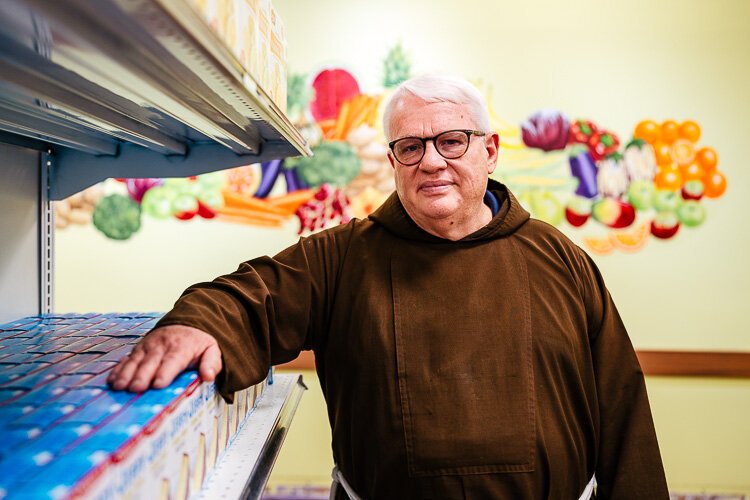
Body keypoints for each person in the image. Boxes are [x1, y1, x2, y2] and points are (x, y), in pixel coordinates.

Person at [108, 74, 669, 499]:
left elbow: (621, 405)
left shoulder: (561, 259)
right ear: (394, 161)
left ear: (489, 150)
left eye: (451, 141)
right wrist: (196, 324)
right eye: (411, 146)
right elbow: (248, 296)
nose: (431, 162)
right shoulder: (341, 256)